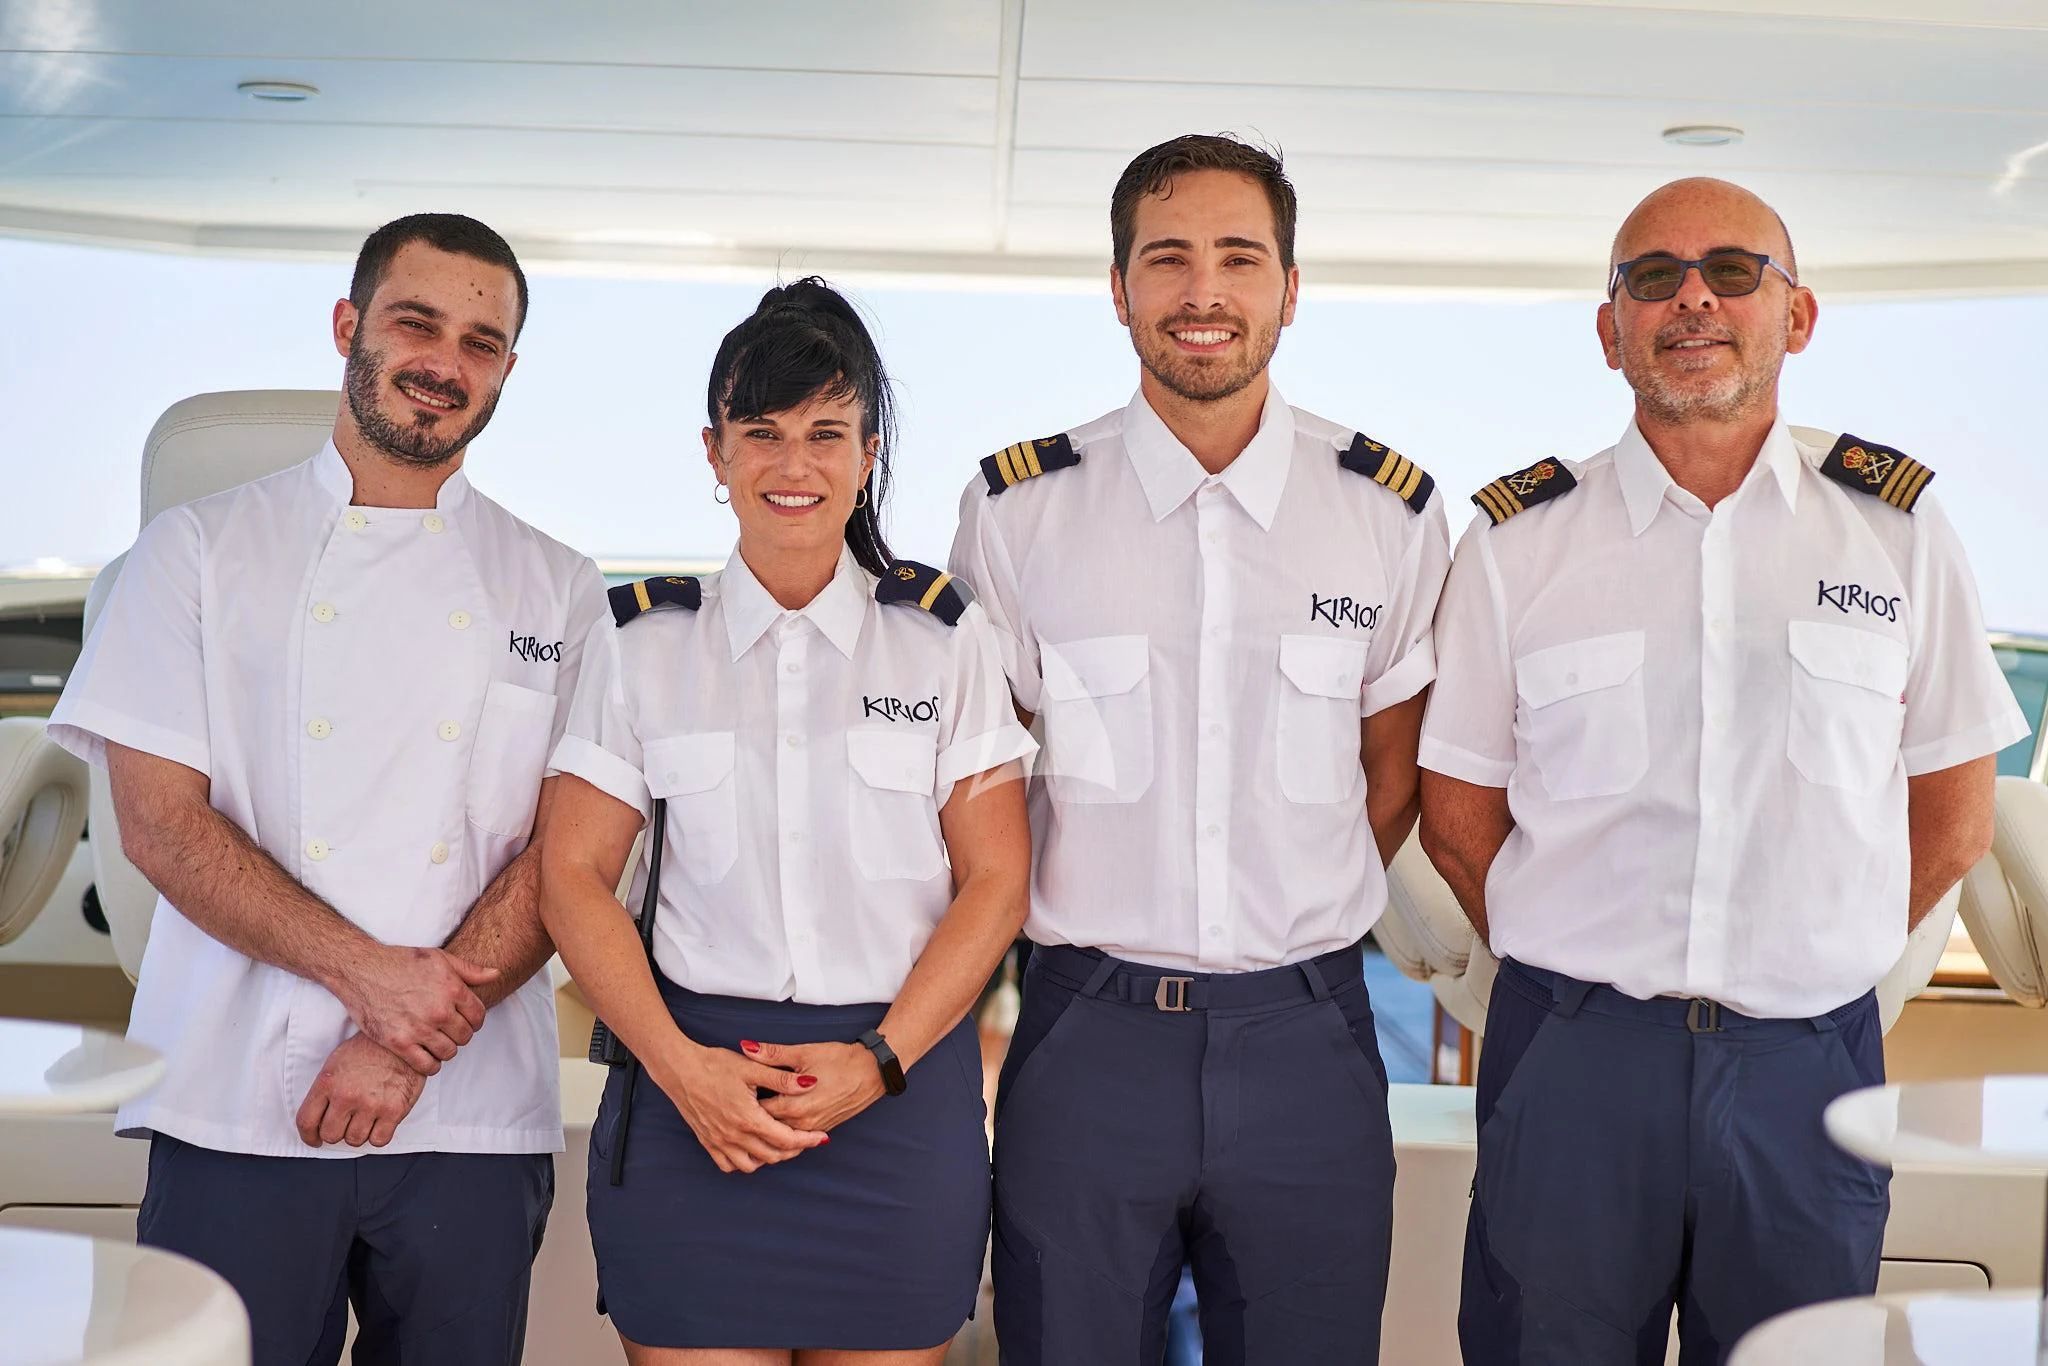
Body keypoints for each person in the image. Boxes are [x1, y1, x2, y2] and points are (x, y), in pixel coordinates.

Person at [1419, 177, 2030, 1364]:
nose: (1691, 297)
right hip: (1575, 1062)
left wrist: (1818, 944)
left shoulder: (1896, 532)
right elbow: (1455, 815)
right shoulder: (1513, 544)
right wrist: (1580, 963)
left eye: (1731, 271)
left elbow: (1951, 817)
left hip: (1804, 1065)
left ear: (1793, 316)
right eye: (1651, 277)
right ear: (1610, 331)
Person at [47, 213, 607, 1365]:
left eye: (481, 341)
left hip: (465, 1112)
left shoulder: (560, 586)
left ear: (506, 369)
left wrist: (400, 1043)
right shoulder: (194, 552)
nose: (444, 362)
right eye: (416, 322)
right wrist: (370, 984)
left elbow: (570, 854)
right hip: (236, 1100)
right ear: (350, 326)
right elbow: (160, 825)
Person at [949, 133, 1451, 1364]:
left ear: (1289, 287)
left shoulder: (1385, 512)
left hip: (1309, 1038)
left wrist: (1289, 898)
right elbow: (983, 778)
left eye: (1239, 256)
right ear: (1117, 287)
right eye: (1165, 258)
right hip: (1087, 1038)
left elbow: (1395, 774)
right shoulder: (1019, 513)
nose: (1202, 290)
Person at [540, 278, 1034, 1365]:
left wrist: (878, 1061)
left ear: (867, 451)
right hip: (692, 1097)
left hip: (894, 1099)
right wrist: (680, 1069)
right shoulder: (641, 646)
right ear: (715, 453)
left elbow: (998, 879)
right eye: (760, 433)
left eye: (825, 433)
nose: (793, 464)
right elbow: (571, 873)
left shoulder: (945, 643)